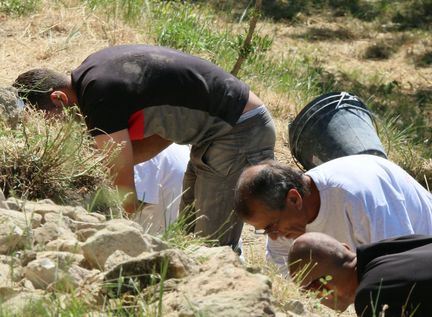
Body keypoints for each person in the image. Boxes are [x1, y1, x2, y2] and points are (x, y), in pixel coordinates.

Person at [13, 44, 276, 248]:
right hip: (217, 131)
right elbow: (164, 135)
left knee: (214, 246)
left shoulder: (99, 99)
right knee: (188, 234)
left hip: (239, 130)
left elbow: (123, 196)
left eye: (50, 124)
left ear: (58, 99)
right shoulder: (94, 75)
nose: (55, 133)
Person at [234, 154, 432, 271]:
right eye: (265, 231)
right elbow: (285, 279)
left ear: (294, 199)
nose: (274, 236)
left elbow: (399, 271)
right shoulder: (285, 219)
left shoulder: (359, 199)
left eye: (271, 227)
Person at [288, 232, 432, 316]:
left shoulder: (370, 297)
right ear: (345, 247)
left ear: (319, 289)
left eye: (307, 293)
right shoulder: (391, 247)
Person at [133, 143, 190, 235]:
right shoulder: (178, 145)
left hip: (143, 243)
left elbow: (128, 207)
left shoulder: (142, 151)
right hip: (166, 241)